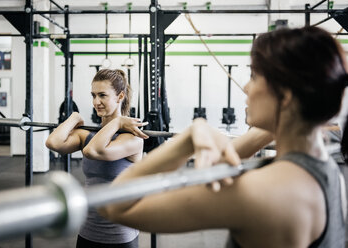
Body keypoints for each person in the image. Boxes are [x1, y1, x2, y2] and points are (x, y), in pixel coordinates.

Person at [101, 27, 348, 247]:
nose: (245, 87)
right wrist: (279, 123)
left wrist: (187, 139)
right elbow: (223, 161)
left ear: (285, 97)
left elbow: (115, 206)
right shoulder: (329, 173)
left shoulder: (255, 192)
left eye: (253, 76)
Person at [46, 69, 148, 248]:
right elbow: (52, 142)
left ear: (120, 96)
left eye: (102, 95)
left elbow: (93, 151)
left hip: (119, 234)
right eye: (93, 95)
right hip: (88, 230)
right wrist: (74, 117)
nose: (96, 102)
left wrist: (117, 122)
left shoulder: (132, 138)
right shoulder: (88, 134)